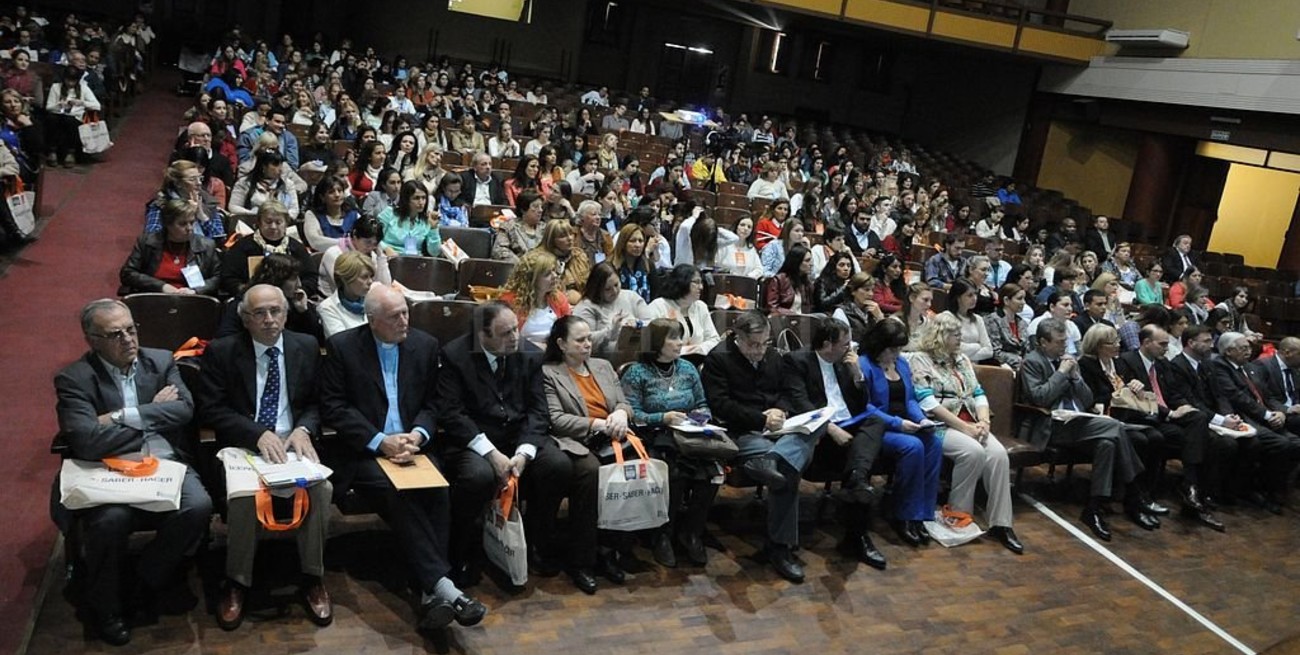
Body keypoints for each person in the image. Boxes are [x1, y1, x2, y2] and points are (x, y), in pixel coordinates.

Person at [319, 285, 487, 631]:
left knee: (438, 490)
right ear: (372, 320)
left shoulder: (424, 345)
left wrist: (418, 434)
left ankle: (433, 594)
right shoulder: (343, 348)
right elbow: (335, 407)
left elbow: (434, 403)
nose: (404, 320)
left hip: (414, 446)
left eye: (406, 312)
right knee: (401, 494)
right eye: (394, 316)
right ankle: (444, 588)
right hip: (365, 451)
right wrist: (380, 442)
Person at [52, 299, 213, 646]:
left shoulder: (161, 360)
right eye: (115, 334)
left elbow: (184, 410)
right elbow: (87, 442)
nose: (128, 339)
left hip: (164, 462)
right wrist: (153, 412)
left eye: (131, 329)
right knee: (110, 521)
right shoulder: (74, 379)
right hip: (106, 470)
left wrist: (119, 417)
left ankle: (144, 578)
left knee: (198, 505)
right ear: (92, 339)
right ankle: (105, 607)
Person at [198, 285, 333, 630]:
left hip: (293, 443)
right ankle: (238, 582)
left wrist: (304, 428)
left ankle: (312, 577)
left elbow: (319, 403)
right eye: (260, 313)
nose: (270, 320)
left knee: (321, 490)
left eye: (276, 311)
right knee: (244, 497)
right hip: (245, 445)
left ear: (287, 314)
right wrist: (255, 433)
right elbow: (212, 408)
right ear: (245, 319)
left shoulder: (304, 346)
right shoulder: (223, 352)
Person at [435, 301, 564, 587]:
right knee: (477, 476)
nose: (515, 338)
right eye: (505, 333)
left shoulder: (529, 354)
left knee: (557, 465)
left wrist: (524, 452)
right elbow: (452, 415)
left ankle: (535, 544)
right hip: (475, 440)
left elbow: (538, 411)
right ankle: (462, 552)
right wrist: (490, 453)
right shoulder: (456, 356)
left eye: (516, 329)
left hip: (518, 437)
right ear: (483, 336)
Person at [702, 311, 817, 582]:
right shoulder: (719, 359)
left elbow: (789, 392)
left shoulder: (772, 355)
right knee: (788, 469)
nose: (758, 351)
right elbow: (721, 405)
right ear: (737, 338)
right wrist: (761, 418)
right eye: (752, 345)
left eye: (764, 343)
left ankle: (772, 459)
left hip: (778, 430)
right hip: (742, 431)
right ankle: (780, 547)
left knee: (813, 430)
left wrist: (779, 409)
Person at [1019, 318, 1150, 541]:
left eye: (1065, 342)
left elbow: (1087, 398)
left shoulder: (1069, 361)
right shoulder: (1032, 362)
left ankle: (1094, 507)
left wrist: (1076, 377)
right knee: (1114, 426)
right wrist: (1061, 373)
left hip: (1078, 421)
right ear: (1043, 342)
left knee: (1107, 444)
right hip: (1051, 425)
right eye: (1059, 342)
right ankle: (1134, 493)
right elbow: (1039, 398)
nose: (1064, 347)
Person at [908, 313, 1023, 553]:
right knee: (972, 452)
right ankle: (959, 513)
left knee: (999, 455)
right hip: (938, 426)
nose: (961, 338)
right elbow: (927, 403)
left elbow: (978, 393)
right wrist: (965, 428)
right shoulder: (920, 359)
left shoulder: (961, 359)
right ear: (939, 336)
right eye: (955, 334)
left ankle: (1001, 523)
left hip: (972, 421)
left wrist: (983, 421)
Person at [783, 318, 890, 567]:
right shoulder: (797, 361)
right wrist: (829, 428)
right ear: (827, 344)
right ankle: (858, 536)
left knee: (875, 421)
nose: (849, 349)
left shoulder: (845, 363)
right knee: (859, 457)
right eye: (844, 344)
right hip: (821, 433)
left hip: (849, 425)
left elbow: (862, 404)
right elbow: (801, 404)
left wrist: (857, 375)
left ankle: (856, 480)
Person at [539, 316, 629, 592]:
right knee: (590, 473)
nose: (588, 344)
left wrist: (621, 413)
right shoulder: (549, 372)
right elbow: (555, 419)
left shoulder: (602, 366)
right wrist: (596, 423)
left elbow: (623, 401)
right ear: (561, 344)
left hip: (611, 437)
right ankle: (582, 560)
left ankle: (610, 550)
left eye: (589, 338)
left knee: (630, 466)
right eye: (580, 340)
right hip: (574, 440)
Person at [620, 319, 719, 567]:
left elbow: (702, 403)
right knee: (674, 474)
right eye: (673, 338)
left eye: (680, 337)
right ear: (657, 342)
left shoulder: (687, 368)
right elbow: (632, 414)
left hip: (689, 434)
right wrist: (662, 417)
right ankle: (662, 534)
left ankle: (691, 533)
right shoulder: (637, 372)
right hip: (654, 435)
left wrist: (701, 418)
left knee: (710, 474)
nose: (679, 343)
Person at [1113, 324, 1225, 530]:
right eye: (1162, 344)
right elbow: (1133, 399)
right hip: (1143, 416)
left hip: (1166, 415)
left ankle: (1190, 485)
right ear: (1146, 343)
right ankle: (1181, 491)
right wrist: (1170, 413)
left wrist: (1183, 405)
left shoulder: (1163, 364)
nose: (1167, 348)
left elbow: (1172, 393)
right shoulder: (1126, 362)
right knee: (1169, 437)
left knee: (1201, 422)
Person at [857, 318, 945, 550]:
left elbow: (910, 400)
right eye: (892, 349)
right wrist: (898, 423)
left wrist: (921, 419)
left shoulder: (902, 364)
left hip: (906, 422)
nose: (896, 354)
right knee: (912, 446)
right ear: (879, 345)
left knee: (933, 443)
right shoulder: (864, 365)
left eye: (899, 349)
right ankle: (903, 513)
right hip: (879, 428)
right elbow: (865, 408)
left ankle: (921, 514)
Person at [1207, 332, 1300, 513]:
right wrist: (1267, 415)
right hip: (1244, 417)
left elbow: (1267, 395)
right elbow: (1238, 397)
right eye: (1243, 348)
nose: (1249, 351)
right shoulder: (1220, 367)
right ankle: (1260, 489)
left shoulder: (1249, 368)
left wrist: (1280, 411)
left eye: (1249, 347)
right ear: (1228, 351)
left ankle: (1269, 487)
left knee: (1295, 444)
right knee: (1282, 444)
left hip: (1264, 416)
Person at [1165, 325, 1245, 507]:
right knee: (1224, 444)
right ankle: (1204, 490)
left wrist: (1228, 415)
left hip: (1214, 417)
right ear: (1191, 343)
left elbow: (1220, 395)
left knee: (1251, 442)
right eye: (1207, 341)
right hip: (1193, 419)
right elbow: (1191, 401)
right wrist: (1221, 420)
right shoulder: (1177, 366)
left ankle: (1233, 490)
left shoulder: (1208, 364)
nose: (1211, 345)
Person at [119, 199, 221, 296]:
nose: (189, 228)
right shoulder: (147, 242)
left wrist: (195, 291)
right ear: (168, 224)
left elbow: (218, 278)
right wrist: (161, 286)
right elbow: (128, 273)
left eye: (192, 223)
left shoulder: (206, 245)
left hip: (191, 300)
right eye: (182, 224)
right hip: (154, 297)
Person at [221, 201, 320, 299]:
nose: (273, 227)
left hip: (290, 300)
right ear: (259, 222)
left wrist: (301, 292)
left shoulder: (296, 247)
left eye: (278, 222)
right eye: (268, 222)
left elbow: (311, 277)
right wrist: (245, 291)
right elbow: (228, 278)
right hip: (251, 299)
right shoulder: (242, 246)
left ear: (286, 224)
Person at [572, 262, 650, 357]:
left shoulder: (631, 296)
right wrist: (611, 330)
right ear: (597, 289)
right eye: (607, 289)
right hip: (604, 360)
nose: (614, 291)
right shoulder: (586, 307)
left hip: (642, 352)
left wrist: (638, 324)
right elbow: (583, 340)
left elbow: (652, 322)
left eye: (616, 285)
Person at [502, 248, 572, 348]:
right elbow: (504, 339)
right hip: (521, 355)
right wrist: (534, 347)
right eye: (548, 274)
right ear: (532, 279)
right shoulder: (510, 302)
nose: (555, 276)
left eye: (554, 271)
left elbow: (568, 332)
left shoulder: (559, 299)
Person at [646, 264, 722, 356]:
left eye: (701, 282)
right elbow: (651, 343)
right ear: (682, 282)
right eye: (696, 282)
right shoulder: (658, 306)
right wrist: (684, 351)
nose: (701, 287)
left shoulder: (701, 307)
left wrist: (699, 348)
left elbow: (714, 339)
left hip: (699, 359)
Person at [318, 215, 392, 296]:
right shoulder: (334, 254)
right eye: (367, 242)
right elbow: (349, 289)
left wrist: (380, 257)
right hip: (332, 302)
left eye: (375, 244)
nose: (371, 248)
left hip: (362, 300)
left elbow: (386, 286)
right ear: (355, 235)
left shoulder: (372, 255)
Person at [318, 250, 377, 338]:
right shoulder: (327, 308)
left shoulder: (376, 298)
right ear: (345, 279)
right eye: (364, 277)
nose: (370, 282)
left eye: (371, 276)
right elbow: (343, 344)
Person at [378, 180, 443, 257]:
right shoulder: (389, 214)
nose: (421, 202)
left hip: (415, 261)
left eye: (424, 198)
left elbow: (435, 252)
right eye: (416, 198)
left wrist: (433, 229)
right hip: (389, 258)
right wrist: (385, 248)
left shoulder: (427, 220)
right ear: (406, 200)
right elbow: (373, 239)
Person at [540, 218, 591, 306]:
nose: (570, 238)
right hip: (554, 306)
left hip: (584, 302)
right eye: (563, 236)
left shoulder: (579, 255)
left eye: (571, 234)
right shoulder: (542, 261)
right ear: (552, 240)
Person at [831, 273, 885, 347]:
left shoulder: (873, 311)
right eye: (866, 290)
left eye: (872, 290)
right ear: (853, 291)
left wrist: (880, 317)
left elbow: (885, 337)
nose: (871, 294)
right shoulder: (841, 312)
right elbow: (843, 343)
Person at [493, 189, 545, 263]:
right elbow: (499, 251)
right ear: (523, 209)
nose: (540, 210)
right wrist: (521, 264)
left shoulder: (545, 228)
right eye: (535, 206)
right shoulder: (508, 226)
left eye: (541, 207)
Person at [986, 282, 1030, 370]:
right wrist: (1018, 360)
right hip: (1001, 368)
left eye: (1024, 299)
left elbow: (1027, 350)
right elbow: (995, 352)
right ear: (1006, 300)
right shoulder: (993, 320)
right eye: (1019, 299)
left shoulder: (1022, 323)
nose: (1023, 302)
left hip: (1023, 368)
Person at [765, 243, 815, 316]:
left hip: (803, 320)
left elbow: (809, 307)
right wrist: (792, 314)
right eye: (807, 261)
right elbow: (772, 307)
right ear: (797, 261)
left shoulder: (807, 283)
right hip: (782, 319)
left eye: (811, 260)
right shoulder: (779, 280)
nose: (811, 264)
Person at [1029, 291, 1082, 356]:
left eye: (1071, 305)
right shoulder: (1037, 324)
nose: (1070, 309)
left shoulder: (1072, 325)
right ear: (1052, 307)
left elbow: (1078, 352)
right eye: (1065, 305)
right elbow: (1036, 353)